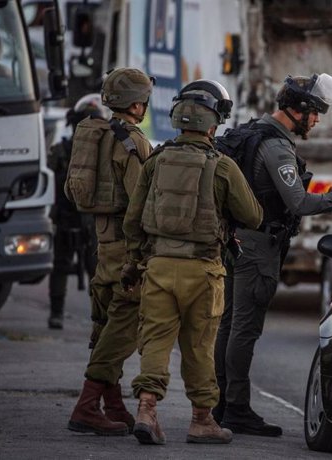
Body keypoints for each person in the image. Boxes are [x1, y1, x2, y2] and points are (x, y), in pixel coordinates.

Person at [122, 80, 263, 445]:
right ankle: (202, 420)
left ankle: (147, 411)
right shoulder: (222, 166)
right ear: (213, 125)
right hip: (203, 271)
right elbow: (252, 216)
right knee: (199, 346)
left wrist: (135, 263)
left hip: (158, 268)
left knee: (154, 342)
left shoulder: (157, 159)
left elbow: (132, 219)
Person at [213, 73, 332, 437]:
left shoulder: (252, 130)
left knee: (228, 325)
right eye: (316, 113)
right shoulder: (276, 147)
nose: (318, 120)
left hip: (235, 241)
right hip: (257, 248)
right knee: (244, 328)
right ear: (299, 110)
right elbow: (299, 202)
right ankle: (236, 409)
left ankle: (220, 403)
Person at [65, 67, 154, 436]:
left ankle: (112, 405)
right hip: (126, 247)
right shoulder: (131, 142)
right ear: (136, 104)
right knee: (124, 324)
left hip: (102, 243)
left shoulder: (97, 134)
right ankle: (87, 406)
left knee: (105, 324)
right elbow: (141, 203)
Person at [47, 94, 108, 329]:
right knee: (66, 266)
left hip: (87, 221)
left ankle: (96, 318)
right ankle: (60, 313)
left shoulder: (66, 150)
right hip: (71, 220)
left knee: (96, 271)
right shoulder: (62, 151)